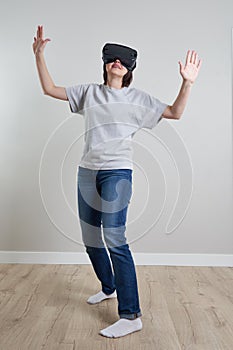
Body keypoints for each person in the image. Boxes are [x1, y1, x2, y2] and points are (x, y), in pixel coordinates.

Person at [33, 25, 202, 338]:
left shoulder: (139, 100)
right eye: (112, 58)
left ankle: (130, 314)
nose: (117, 62)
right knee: (90, 240)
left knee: (114, 237)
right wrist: (39, 55)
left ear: (130, 68)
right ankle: (108, 286)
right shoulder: (89, 93)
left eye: (123, 60)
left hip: (117, 173)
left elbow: (175, 113)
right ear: (105, 63)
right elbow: (50, 89)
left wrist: (187, 83)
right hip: (87, 172)